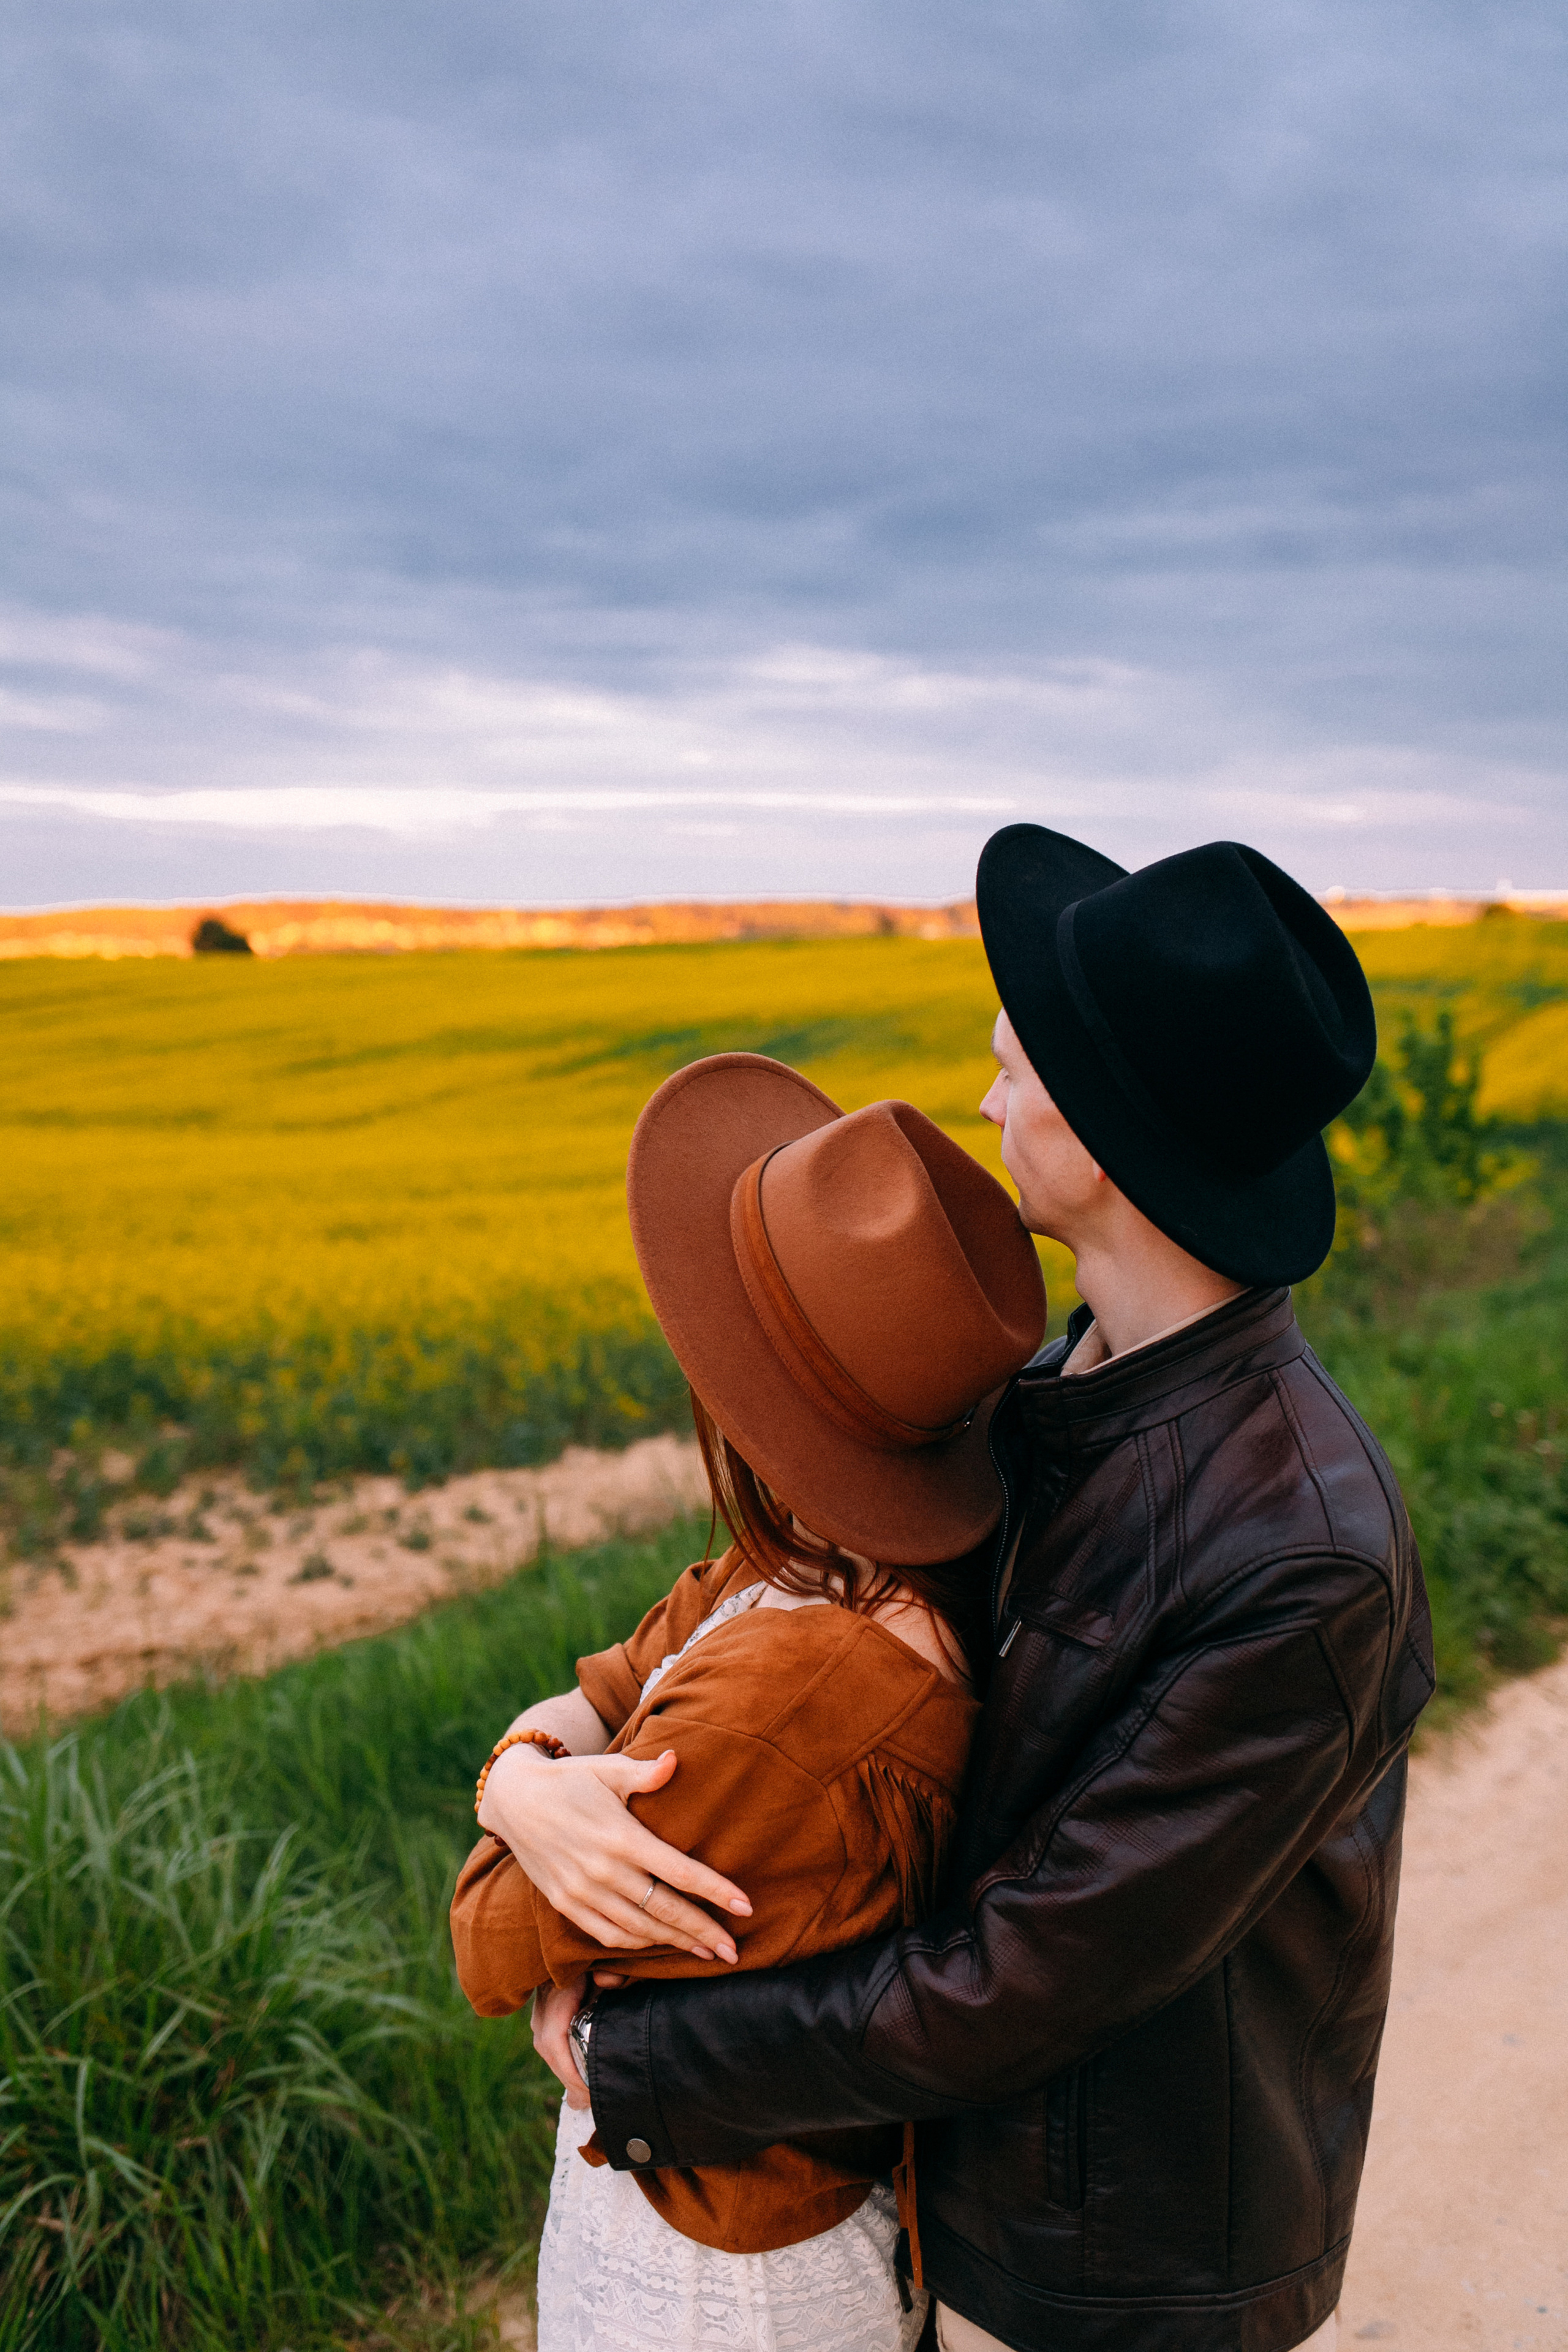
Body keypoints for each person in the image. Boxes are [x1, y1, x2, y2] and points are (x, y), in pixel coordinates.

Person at [488, 827, 1436, 2352]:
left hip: (1116, 2271)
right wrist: (525, 1780)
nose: (985, 1098)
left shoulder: (1301, 1548)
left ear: (1107, 1137)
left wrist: (640, 2055)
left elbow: (1027, 1973)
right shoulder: (1038, 1397)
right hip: (946, 2190)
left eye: (1015, 1067)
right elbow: (710, 1624)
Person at [451, 1062, 1048, 2351]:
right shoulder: (810, 1570)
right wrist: (522, 1783)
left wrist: (525, 1800)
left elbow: (490, 1943)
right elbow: (613, 1682)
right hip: (745, 2233)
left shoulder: (797, 1688)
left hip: (712, 2281)